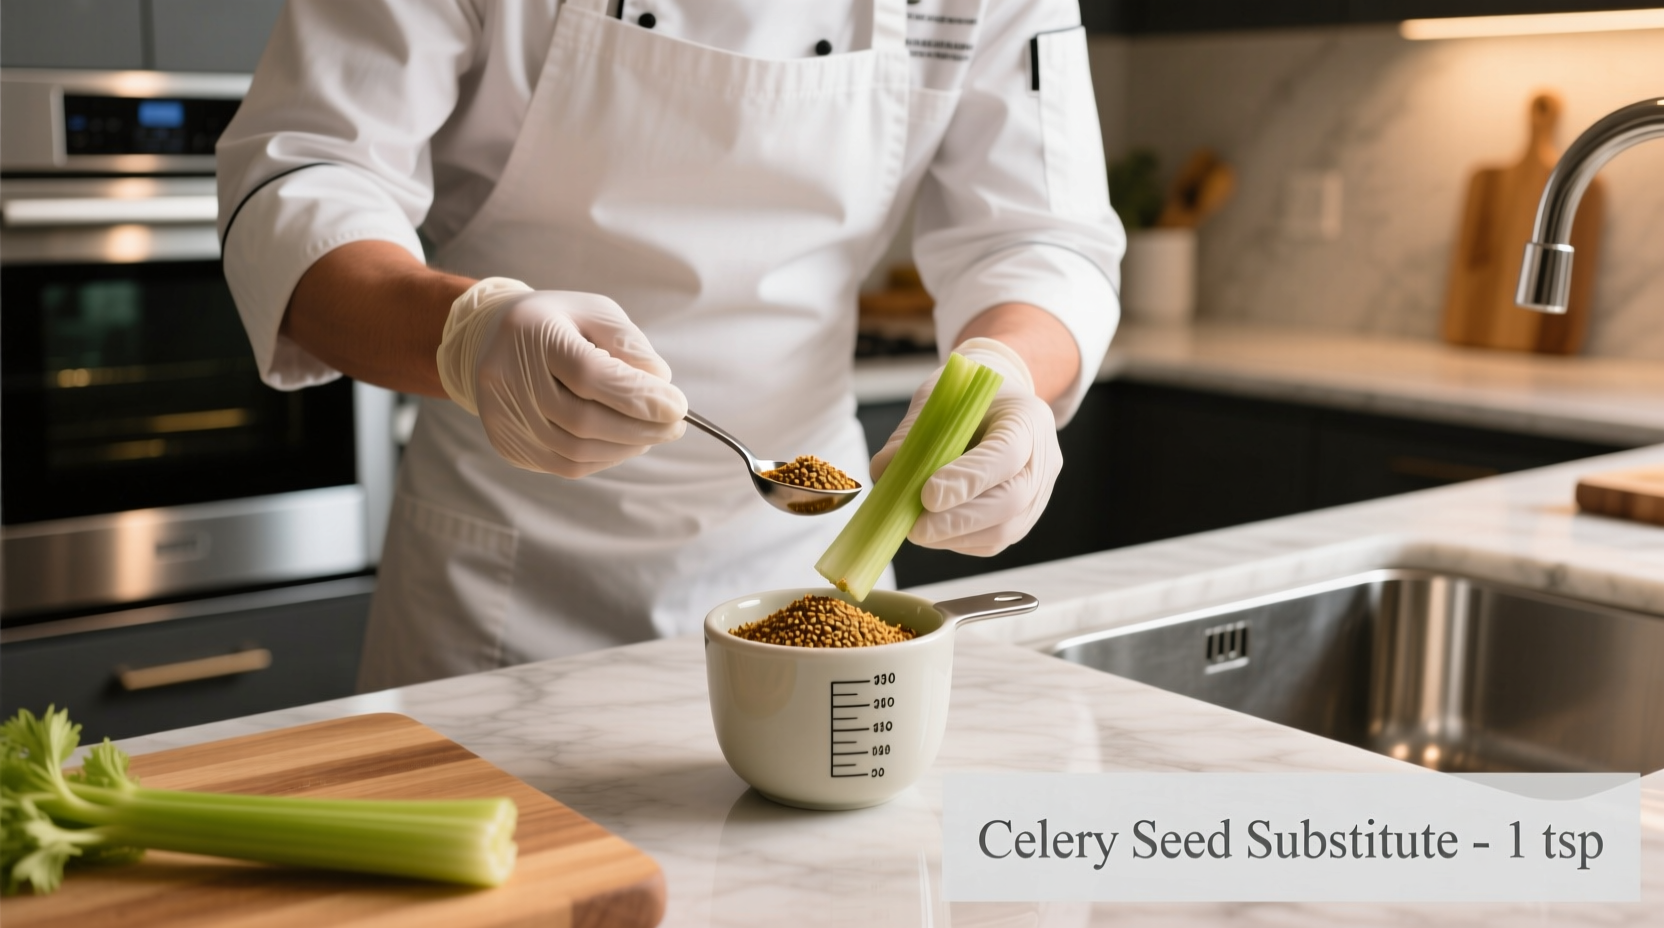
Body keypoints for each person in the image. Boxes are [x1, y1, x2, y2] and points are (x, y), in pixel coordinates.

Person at [216, 0, 1124, 690]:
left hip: (806, 574)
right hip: (501, 582)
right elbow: (304, 184)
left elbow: (1042, 240)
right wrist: (468, 335)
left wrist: (1007, 375)